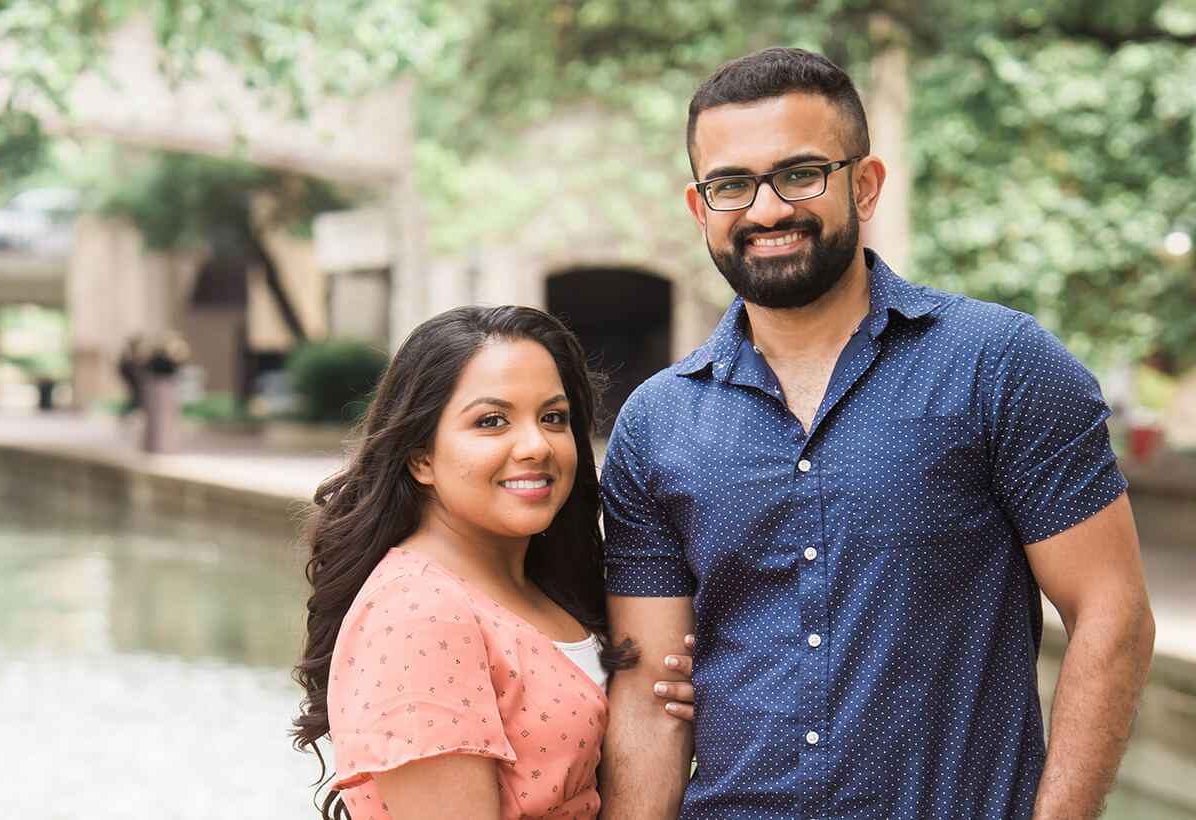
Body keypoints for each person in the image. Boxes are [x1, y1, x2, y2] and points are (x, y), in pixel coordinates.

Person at [598, 47, 1156, 820]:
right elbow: (650, 695)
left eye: (800, 174)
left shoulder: (998, 365)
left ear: (864, 184)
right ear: (701, 209)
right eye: (732, 185)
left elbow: (1111, 614)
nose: (766, 210)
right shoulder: (655, 425)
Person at [291, 305, 692, 819]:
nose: (536, 446)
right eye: (492, 421)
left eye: (553, 418)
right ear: (421, 458)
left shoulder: (546, 587)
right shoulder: (419, 612)